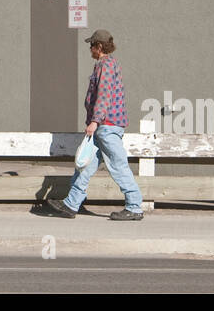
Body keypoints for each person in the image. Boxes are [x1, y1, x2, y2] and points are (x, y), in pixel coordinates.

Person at [40, 29, 143, 221]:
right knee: (84, 166)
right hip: (105, 125)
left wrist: (95, 121)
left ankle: (135, 206)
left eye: (92, 45)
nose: (90, 49)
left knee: (118, 166)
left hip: (107, 125)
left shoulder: (105, 65)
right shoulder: (108, 64)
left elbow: (104, 95)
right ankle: (71, 204)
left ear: (100, 46)